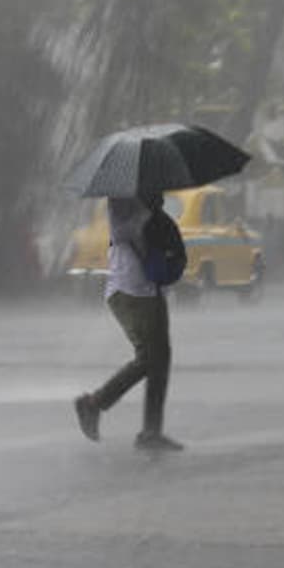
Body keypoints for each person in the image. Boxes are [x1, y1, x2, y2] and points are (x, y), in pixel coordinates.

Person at [73, 191, 184, 453]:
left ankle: (148, 429)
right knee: (153, 358)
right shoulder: (126, 199)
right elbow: (137, 233)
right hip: (136, 291)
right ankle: (98, 405)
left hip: (137, 290)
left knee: (156, 358)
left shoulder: (134, 199)